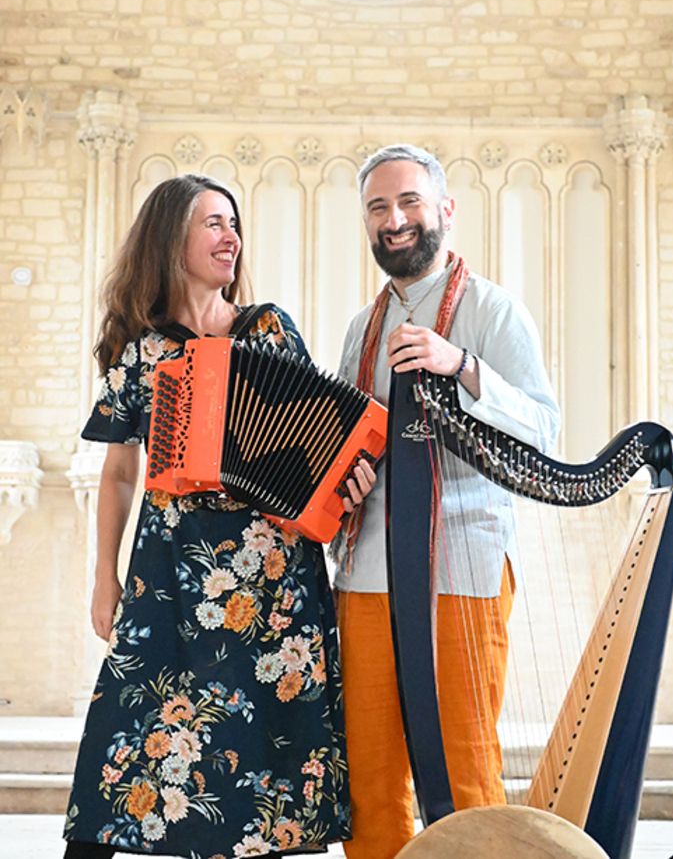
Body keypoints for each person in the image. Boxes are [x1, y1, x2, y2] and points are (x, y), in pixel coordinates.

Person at [63, 173, 352, 858]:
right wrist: (104, 577)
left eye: (232, 223)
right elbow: (118, 471)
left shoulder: (270, 329)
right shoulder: (142, 348)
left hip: (272, 579)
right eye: (212, 224)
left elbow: (319, 438)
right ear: (172, 240)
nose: (230, 238)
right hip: (170, 572)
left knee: (261, 759)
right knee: (124, 729)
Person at [331, 144, 560, 859]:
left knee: (464, 768)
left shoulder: (494, 312)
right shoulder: (359, 330)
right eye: (378, 208)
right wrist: (349, 477)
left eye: (409, 203)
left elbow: (546, 430)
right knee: (370, 778)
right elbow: (348, 444)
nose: (394, 220)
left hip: (464, 565)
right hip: (368, 569)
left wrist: (459, 364)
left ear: (445, 212)